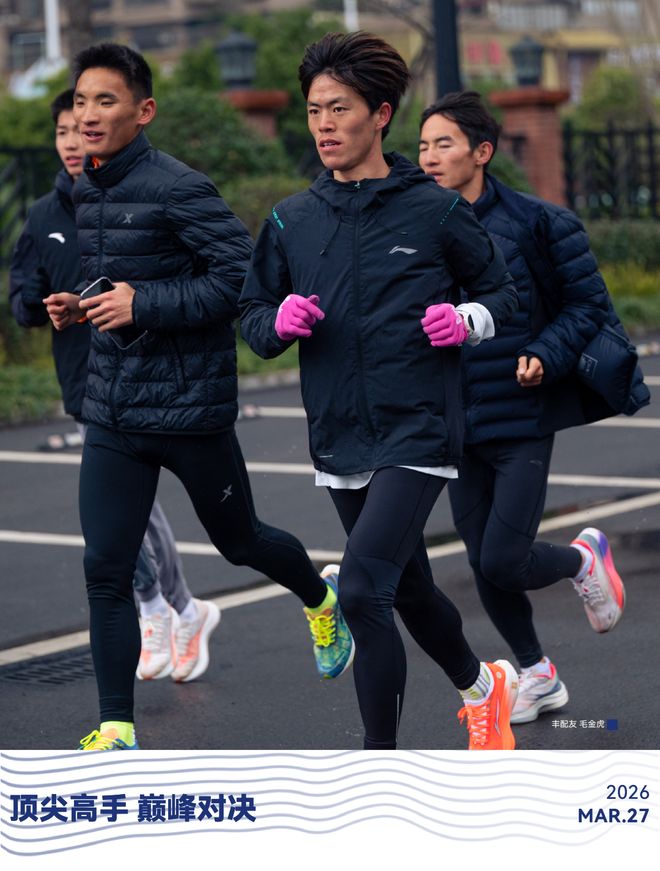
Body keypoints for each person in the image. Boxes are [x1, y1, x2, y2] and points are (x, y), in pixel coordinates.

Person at [47, 44, 353, 751]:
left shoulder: (180, 187)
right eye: (81, 101)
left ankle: (320, 597)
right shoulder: (88, 188)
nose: (88, 115)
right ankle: (117, 727)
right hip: (113, 408)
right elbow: (122, 278)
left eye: (106, 101)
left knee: (241, 542)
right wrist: (83, 305)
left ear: (144, 111)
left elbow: (240, 283)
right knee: (106, 569)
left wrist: (142, 304)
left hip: (188, 409)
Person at [240, 32, 522, 750]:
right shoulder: (292, 219)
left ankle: (378, 771)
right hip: (339, 431)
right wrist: (277, 320)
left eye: (339, 108)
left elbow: (502, 293)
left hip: (418, 426)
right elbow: (251, 314)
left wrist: (465, 320)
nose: (324, 125)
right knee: (411, 587)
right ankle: (483, 688)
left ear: (381, 114)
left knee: (364, 591)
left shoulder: (434, 210)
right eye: (314, 110)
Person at [418, 91, 630, 724]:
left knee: (503, 558)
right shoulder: (416, 226)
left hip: (521, 413)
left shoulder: (539, 222)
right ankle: (538, 675)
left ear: (482, 152)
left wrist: (544, 350)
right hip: (455, 418)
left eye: (444, 144)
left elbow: (588, 306)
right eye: (423, 145)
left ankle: (582, 560)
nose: (429, 157)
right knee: (482, 561)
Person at [9, 89, 218, 687]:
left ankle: (168, 609)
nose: (72, 141)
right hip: (85, 384)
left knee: (137, 515)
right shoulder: (43, 216)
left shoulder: (139, 197)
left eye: (81, 128)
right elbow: (22, 295)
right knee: (127, 518)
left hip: (146, 378)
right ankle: (172, 609)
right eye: (62, 132)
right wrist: (37, 303)